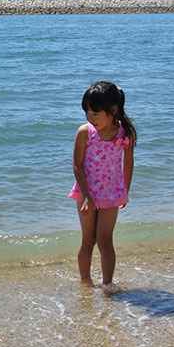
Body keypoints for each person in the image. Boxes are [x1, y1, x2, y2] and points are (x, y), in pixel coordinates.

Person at [68, 81, 136, 292]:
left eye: (96, 113)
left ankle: (107, 285)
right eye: (87, 112)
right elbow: (77, 166)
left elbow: (128, 162)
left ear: (112, 110)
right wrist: (87, 195)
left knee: (105, 240)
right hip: (86, 191)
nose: (90, 117)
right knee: (88, 240)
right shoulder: (84, 132)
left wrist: (125, 190)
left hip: (111, 193)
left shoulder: (124, 133)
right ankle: (86, 283)